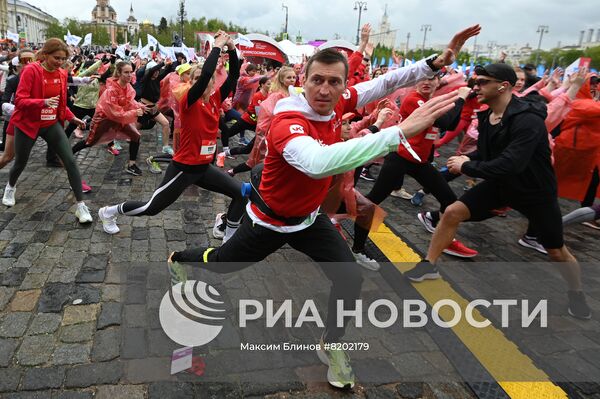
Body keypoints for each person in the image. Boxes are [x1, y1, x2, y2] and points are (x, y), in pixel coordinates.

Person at [168, 25, 481, 389]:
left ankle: (330, 344)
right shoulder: (288, 119)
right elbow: (319, 162)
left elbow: (383, 84)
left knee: (349, 277)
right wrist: (397, 134)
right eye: (317, 80)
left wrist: (434, 63)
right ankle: (180, 259)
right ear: (304, 79)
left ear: (343, 85)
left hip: (309, 220)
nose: (325, 89)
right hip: (269, 222)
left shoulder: (339, 98)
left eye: (334, 82)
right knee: (222, 265)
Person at [405, 63, 591, 321]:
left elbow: (512, 163)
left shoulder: (527, 120)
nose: (475, 86)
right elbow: (488, 153)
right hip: (501, 185)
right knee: (451, 212)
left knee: (556, 250)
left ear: (503, 86)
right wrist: (464, 160)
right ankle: (429, 265)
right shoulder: (488, 116)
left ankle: (576, 293)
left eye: (481, 82)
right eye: (475, 81)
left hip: (534, 192)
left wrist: (467, 165)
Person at [98, 31, 244, 243]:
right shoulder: (188, 101)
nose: (201, 82)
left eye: (206, 80)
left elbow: (233, 77)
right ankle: (109, 212)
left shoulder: (215, 99)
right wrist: (216, 46)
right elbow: (203, 78)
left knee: (241, 194)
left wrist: (230, 49)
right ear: (190, 82)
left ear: (213, 84)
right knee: (152, 208)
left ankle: (227, 237)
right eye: (194, 79)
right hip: (184, 169)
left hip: (203, 167)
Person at [352, 76, 477, 270]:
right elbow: (444, 122)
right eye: (423, 78)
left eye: (432, 79)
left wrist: (461, 100)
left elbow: (451, 124)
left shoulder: (428, 101)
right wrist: (460, 98)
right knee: (372, 202)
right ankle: (358, 248)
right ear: (416, 81)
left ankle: (439, 227)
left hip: (419, 162)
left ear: (438, 83)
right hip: (400, 159)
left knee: (451, 202)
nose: (427, 82)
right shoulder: (414, 99)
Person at [1, 38, 92, 223]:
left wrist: (70, 117)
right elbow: (20, 101)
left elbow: (61, 102)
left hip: (51, 124)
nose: (60, 62)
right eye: (56, 58)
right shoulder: (31, 70)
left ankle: (81, 206)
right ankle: (10, 186)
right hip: (28, 123)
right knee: (20, 161)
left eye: (63, 59)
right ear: (45, 55)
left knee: (70, 161)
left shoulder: (62, 74)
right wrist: (42, 102)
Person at [71, 61, 146, 176]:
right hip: (104, 119)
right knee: (90, 142)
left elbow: (129, 101)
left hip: (120, 118)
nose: (130, 75)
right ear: (119, 73)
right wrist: (135, 112)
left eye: (131, 72)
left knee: (136, 136)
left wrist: (139, 106)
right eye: (126, 72)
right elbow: (115, 113)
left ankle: (131, 165)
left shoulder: (128, 87)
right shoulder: (111, 90)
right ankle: (68, 155)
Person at [0, 49, 35, 170]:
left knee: (61, 150)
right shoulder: (13, 80)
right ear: (17, 67)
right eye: (24, 63)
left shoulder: (38, 77)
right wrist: (21, 108)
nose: (28, 66)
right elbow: (3, 103)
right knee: (8, 156)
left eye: (31, 62)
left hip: (38, 120)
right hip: (15, 119)